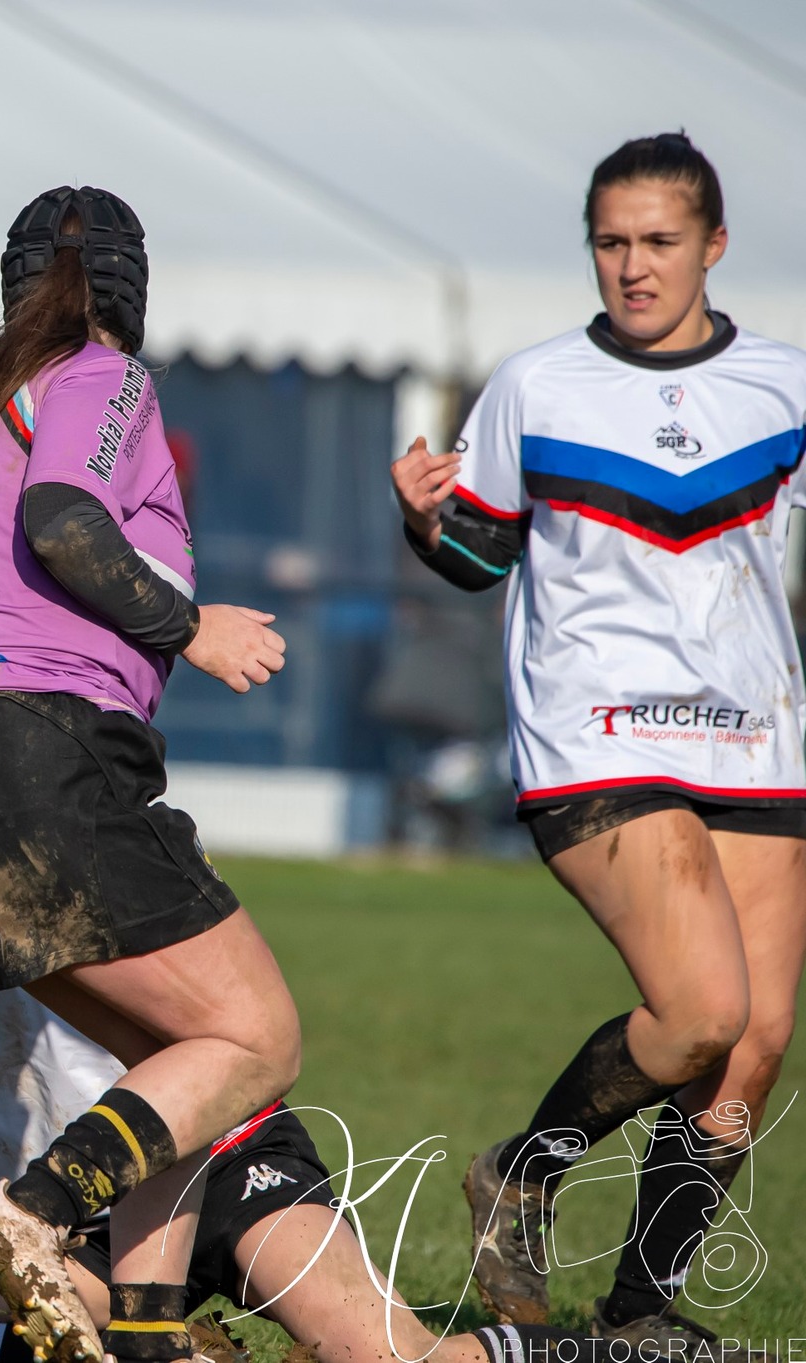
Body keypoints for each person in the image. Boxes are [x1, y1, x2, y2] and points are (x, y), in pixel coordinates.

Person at [0, 186, 299, 1363]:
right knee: (256, 1036)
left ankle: (146, 1341)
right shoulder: (100, 378)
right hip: (30, 746)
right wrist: (188, 626)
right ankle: (35, 1213)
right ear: (127, 290)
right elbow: (62, 518)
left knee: (179, 1058)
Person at [390, 133, 806, 1345]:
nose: (631, 266)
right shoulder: (534, 384)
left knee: (752, 1047)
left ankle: (638, 1316)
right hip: (598, 736)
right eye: (610, 243)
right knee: (695, 1013)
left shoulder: (782, 386)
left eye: (657, 242)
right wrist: (425, 526)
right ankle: (521, 1170)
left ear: (712, 246)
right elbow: (476, 558)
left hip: (755, 740)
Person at [0, 988, 627, 1363]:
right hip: (79, 1220)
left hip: (226, 1154)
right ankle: (156, 1350)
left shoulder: (35, 849)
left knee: (392, 1360)